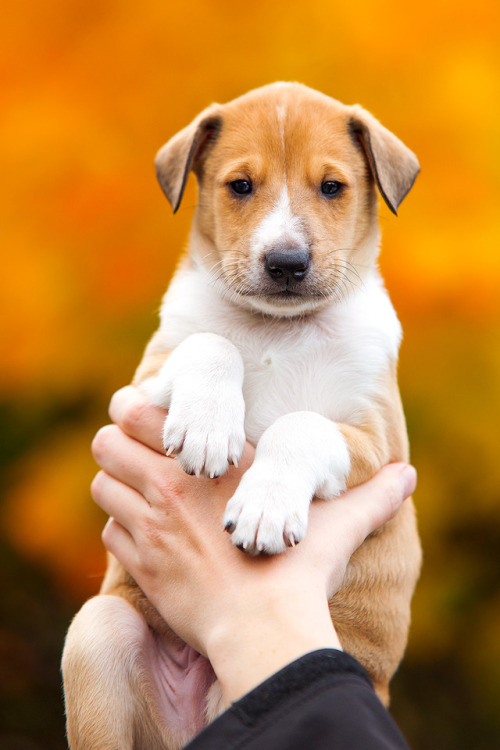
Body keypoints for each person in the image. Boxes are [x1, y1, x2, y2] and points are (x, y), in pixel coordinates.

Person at [91, 385, 416, 749]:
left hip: (339, 647)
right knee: (98, 632)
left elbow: (373, 446)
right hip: (156, 662)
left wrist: (293, 448)